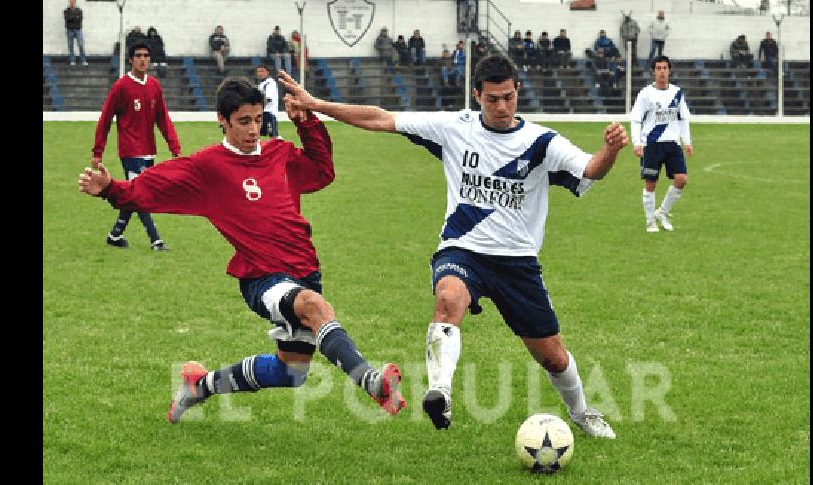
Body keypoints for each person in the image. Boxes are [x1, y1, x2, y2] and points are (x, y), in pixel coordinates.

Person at [276, 55, 625, 438]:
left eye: (508, 97)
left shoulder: (541, 142)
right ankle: (440, 391)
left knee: (553, 357)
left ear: (517, 91)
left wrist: (610, 150)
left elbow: (590, 170)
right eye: (492, 99)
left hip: (517, 263)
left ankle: (581, 412)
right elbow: (380, 118)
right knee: (448, 296)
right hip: (462, 251)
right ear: (477, 95)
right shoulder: (454, 127)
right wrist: (317, 105)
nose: (502, 107)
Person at [78, 76, 407, 424]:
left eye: (258, 120)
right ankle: (371, 381)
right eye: (243, 122)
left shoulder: (279, 154)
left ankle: (199, 385)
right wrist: (110, 189)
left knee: (290, 372)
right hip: (261, 277)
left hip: (305, 270)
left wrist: (306, 122)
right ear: (222, 120)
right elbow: (151, 187)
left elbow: (322, 171)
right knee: (314, 307)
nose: (253, 130)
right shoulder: (208, 167)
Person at [91, 42, 182, 251]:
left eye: (146, 55)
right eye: (138, 55)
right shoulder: (121, 87)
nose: (143, 59)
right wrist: (98, 151)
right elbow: (105, 119)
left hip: (149, 150)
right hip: (130, 150)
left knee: (134, 194)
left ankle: (115, 234)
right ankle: (156, 240)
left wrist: (174, 146)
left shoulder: (154, 86)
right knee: (141, 194)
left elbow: (163, 118)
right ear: (130, 60)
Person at [630, 56, 694, 233]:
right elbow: (635, 119)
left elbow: (683, 119)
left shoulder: (677, 93)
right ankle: (650, 221)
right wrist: (637, 142)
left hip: (673, 144)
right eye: (658, 68)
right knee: (651, 184)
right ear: (653, 72)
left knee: (681, 179)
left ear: (670, 70)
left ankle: (663, 212)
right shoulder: (645, 94)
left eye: (664, 68)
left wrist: (687, 141)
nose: (662, 72)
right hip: (652, 144)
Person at [255, 64, 281, 139]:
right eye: (258, 71)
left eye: (262, 71)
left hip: (269, 113)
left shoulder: (270, 83)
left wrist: (258, 107)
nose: (260, 73)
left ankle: (281, 147)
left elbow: (268, 99)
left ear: (267, 72)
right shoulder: (261, 84)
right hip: (262, 113)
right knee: (256, 134)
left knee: (273, 136)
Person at [63, 0, 88, 66]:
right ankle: (72, 60)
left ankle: (83, 60)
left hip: (78, 29)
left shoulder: (79, 11)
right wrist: (75, 17)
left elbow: (79, 19)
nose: (72, 4)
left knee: (81, 44)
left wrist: (72, 17)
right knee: (70, 46)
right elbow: (67, 19)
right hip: (69, 30)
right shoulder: (66, 11)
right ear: (69, 3)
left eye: (73, 2)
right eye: (71, 2)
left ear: (75, 3)